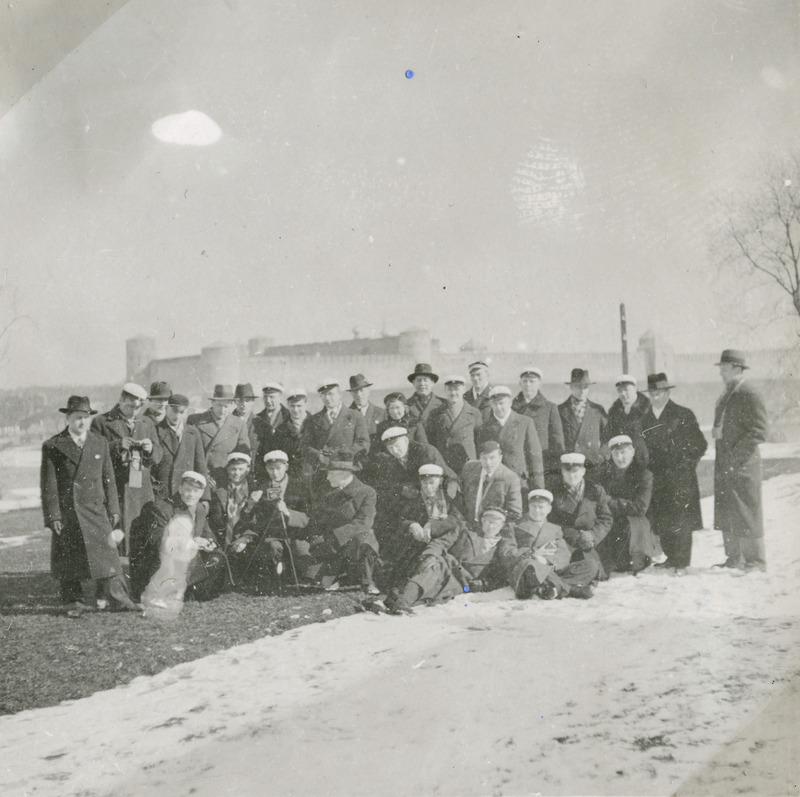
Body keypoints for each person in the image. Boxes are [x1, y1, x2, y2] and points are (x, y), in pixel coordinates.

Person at [40, 395, 138, 617]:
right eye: (77, 418)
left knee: (108, 556)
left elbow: (108, 479)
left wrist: (113, 508)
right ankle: (74, 603)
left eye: (85, 417)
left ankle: (119, 600)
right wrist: (53, 516)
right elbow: (49, 486)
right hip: (68, 512)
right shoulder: (53, 445)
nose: (81, 422)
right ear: (68, 418)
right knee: (69, 558)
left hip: (96, 510)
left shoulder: (99, 442)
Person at [383, 506, 507, 615]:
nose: (490, 526)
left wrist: (483, 583)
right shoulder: (466, 531)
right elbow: (440, 543)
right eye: (488, 522)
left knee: (436, 589)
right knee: (434, 567)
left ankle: (399, 599)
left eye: (495, 523)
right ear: (482, 521)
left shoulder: (502, 548)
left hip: (463, 584)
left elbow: (499, 577)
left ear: (501, 526)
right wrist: (430, 555)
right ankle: (402, 601)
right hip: (448, 566)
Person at [641, 373, 707, 573]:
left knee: (681, 520)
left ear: (667, 392)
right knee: (663, 518)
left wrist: (685, 467)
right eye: (652, 393)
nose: (656, 397)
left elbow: (700, 444)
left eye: (659, 392)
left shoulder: (683, 414)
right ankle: (670, 557)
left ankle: (682, 562)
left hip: (680, 478)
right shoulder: (646, 418)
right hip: (658, 478)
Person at [712, 349, 769, 572]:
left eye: (723, 369)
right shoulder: (728, 392)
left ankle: (755, 562)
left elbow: (760, 431)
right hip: (726, 466)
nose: (720, 373)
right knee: (728, 511)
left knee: (747, 512)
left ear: (736, 368)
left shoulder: (749, 392)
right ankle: (735, 559)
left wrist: (734, 457)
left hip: (743, 466)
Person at [129, 471, 223, 602]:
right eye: (187, 490)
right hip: (160, 560)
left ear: (202, 493)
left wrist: (209, 543)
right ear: (179, 489)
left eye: (196, 491)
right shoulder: (163, 508)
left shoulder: (200, 509)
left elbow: (208, 533)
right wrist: (190, 543)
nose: (191, 495)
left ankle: (190, 591)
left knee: (217, 556)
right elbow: (157, 540)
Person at [91, 382, 163, 552]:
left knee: (142, 541)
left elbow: (159, 455)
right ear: (122, 399)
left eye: (138, 407)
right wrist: (116, 446)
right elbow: (92, 455)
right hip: (117, 492)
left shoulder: (147, 423)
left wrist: (151, 448)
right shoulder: (101, 422)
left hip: (142, 494)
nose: (134, 410)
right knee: (119, 541)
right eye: (131, 405)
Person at [229, 450, 312, 594]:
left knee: (302, 551)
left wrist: (287, 512)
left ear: (286, 466)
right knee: (272, 547)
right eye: (271, 469)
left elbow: (308, 517)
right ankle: (276, 581)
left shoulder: (300, 486)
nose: (275, 473)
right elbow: (252, 519)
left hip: (296, 534)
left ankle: (300, 579)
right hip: (272, 534)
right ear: (266, 469)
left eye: (278, 468)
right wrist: (250, 504)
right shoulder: (262, 487)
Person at [377, 463, 467, 596]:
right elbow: (400, 519)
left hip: (446, 542)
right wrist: (411, 524)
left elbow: (456, 519)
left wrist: (433, 525)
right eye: (424, 483)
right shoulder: (414, 498)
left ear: (440, 481)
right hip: (420, 542)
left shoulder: (450, 498)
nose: (428, 487)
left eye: (432, 483)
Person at [297, 452, 379, 593]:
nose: (328, 477)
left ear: (345, 474)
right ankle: (340, 576)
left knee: (365, 538)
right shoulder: (327, 492)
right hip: (330, 546)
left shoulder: (367, 492)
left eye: (332, 474)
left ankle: (367, 581)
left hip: (351, 545)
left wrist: (335, 537)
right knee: (311, 577)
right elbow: (318, 519)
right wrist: (317, 539)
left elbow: (363, 523)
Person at [497, 489, 597, 600]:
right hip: (525, 570)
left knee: (591, 565)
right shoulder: (513, 526)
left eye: (541, 507)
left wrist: (546, 561)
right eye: (533, 506)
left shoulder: (555, 529)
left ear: (549, 509)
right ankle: (571, 590)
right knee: (530, 564)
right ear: (529, 507)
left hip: (550, 571)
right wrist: (533, 554)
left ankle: (551, 588)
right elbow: (506, 553)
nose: (537, 510)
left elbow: (564, 554)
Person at [365, 426, 455, 543]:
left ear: (406, 441)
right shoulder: (388, 461)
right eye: (390, 448)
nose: (395, 451)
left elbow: (443, 478)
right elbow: (385, 486)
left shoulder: (426, 452)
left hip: (434, 500)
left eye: (397, 446)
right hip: (410, 506)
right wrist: (400, 489)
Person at [594, 435, 656, 576]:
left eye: (624, 452)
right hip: (613, 517)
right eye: (616, 453)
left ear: (632, 452)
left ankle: (636, 560)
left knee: (631, 528)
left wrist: (609, 501)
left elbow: (640, 508)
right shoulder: (605, 473)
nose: (620, 457)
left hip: (635, 520)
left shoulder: (644, 474)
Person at [548, 453, 613, 582]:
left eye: (576, 471)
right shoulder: (554, 492)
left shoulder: (596, 490)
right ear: (562, 472)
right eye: (568, 471)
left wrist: (593, 536)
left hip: (592, 544)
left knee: (595, 570)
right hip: (567, 542)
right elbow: (552, 523)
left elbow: (606, 519)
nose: (572, 476)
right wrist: (574, 536)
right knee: (565, 569)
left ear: (583, 471)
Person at [479, 385, 545, 492]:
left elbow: (535, 458)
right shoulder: (485, 427)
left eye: (501, 403)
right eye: (495, 403)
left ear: (510, 403)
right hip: (495, 483)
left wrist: (538, 488)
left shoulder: (525, 422)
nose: (498, 407)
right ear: (491, 404)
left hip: (519, 482)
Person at [511, 365, 565, 486]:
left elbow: (557, 442)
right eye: (525, 381)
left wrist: (553, 471)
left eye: (532, 381)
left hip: (542, 466)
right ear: (520, 383)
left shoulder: (549, 408)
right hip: (520, 466)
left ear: (539, 384)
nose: (528, 384)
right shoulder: (512, 409)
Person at [187, 384, 251, 485]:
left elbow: (244, 455)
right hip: (201, 479)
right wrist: (203, 475)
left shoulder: (239, 424)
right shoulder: (195, 420)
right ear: (212, 402)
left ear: (232, 404)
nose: (222, 410)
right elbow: (189, 454)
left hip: (226, 479)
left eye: (226, 406)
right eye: (219, 405)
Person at [305, 379, 370, 472]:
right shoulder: (314, 419)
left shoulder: (355, 416)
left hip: (347, 469)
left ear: (340, 394)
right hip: (323, 471)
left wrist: (339, 455)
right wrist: (319, 456)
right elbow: (305, 446)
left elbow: (363, 443)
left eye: (331, 394)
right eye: (323, 394)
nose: (327, 398)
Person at [151, 393, 207, 500]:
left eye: (182, 412)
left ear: (187, 412)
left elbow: (201, 467)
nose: (177, 416)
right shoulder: (156, 430)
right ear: (167, 408)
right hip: (161, 494)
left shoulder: (193, 433)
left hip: (186, 495)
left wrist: (204, 498)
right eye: (174, 411)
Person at [425, 374, 483, 474]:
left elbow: (480, 441)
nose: (453, 393)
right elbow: (431, 440)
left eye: (457, 389)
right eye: (450, 389)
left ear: (463, 389)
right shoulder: (436, 413)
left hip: (468, 465)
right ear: (445, 390)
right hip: (444, 465)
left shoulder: (474, 413)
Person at [459, 440, 523, 525]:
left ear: (500, 458)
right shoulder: (470, 468)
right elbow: (460, 499)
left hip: (492, 529)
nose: (488, 463)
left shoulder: (510, 478)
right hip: (467, 526)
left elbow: (515, 514)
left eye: (492, 458)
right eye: (484, 458)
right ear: (479, 457)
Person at [558, 369, 608, 469]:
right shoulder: (559, 410)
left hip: (593, 465)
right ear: (571, 387)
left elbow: (608, 436)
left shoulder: (597, 410)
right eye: (578, 386)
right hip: (570, 465)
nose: (582, 390)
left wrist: (602, 455)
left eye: (585, 387)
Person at [604, 374, 651, 465]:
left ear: (635, 389)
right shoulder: (614, 411)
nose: (623, 394)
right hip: (621, 461)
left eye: (627, 389)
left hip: (644, 461)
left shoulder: (648, 408)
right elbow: (608, 434)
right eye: (620, 390)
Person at [252, 382, 292, 478]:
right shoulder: (257, 419)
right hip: (265, 470)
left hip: (287, 470)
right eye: (265, 397)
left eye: (272, 397)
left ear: (280, 398)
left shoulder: (290, 416)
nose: (268, 400)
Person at [272, 387, 313, 478]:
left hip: (312, 476)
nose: (295, 410)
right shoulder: (281, 430)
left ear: (306, 404)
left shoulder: (315, 425)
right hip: (291, 477)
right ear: (288, 406)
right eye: (292, 406)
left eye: (299, 406)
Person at [347, 373, 386, 448]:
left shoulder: (381, 413)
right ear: (351, 394)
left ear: (368, 391)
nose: (359, 394)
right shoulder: (346, 415)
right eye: (355, 391)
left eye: (361, 390)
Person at [406, 363, 447, 427]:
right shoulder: (406, 405)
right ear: (413, 383)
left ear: (432, 383)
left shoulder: (443, 404)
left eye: (425, 380)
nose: (422, 384)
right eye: (419, 380)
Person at [233, 383, 260, 457]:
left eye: (247, 400)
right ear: (235, 401)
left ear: (253, 402)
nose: (244, 404)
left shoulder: (260, 423)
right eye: (240, 400)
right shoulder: (227, 421)